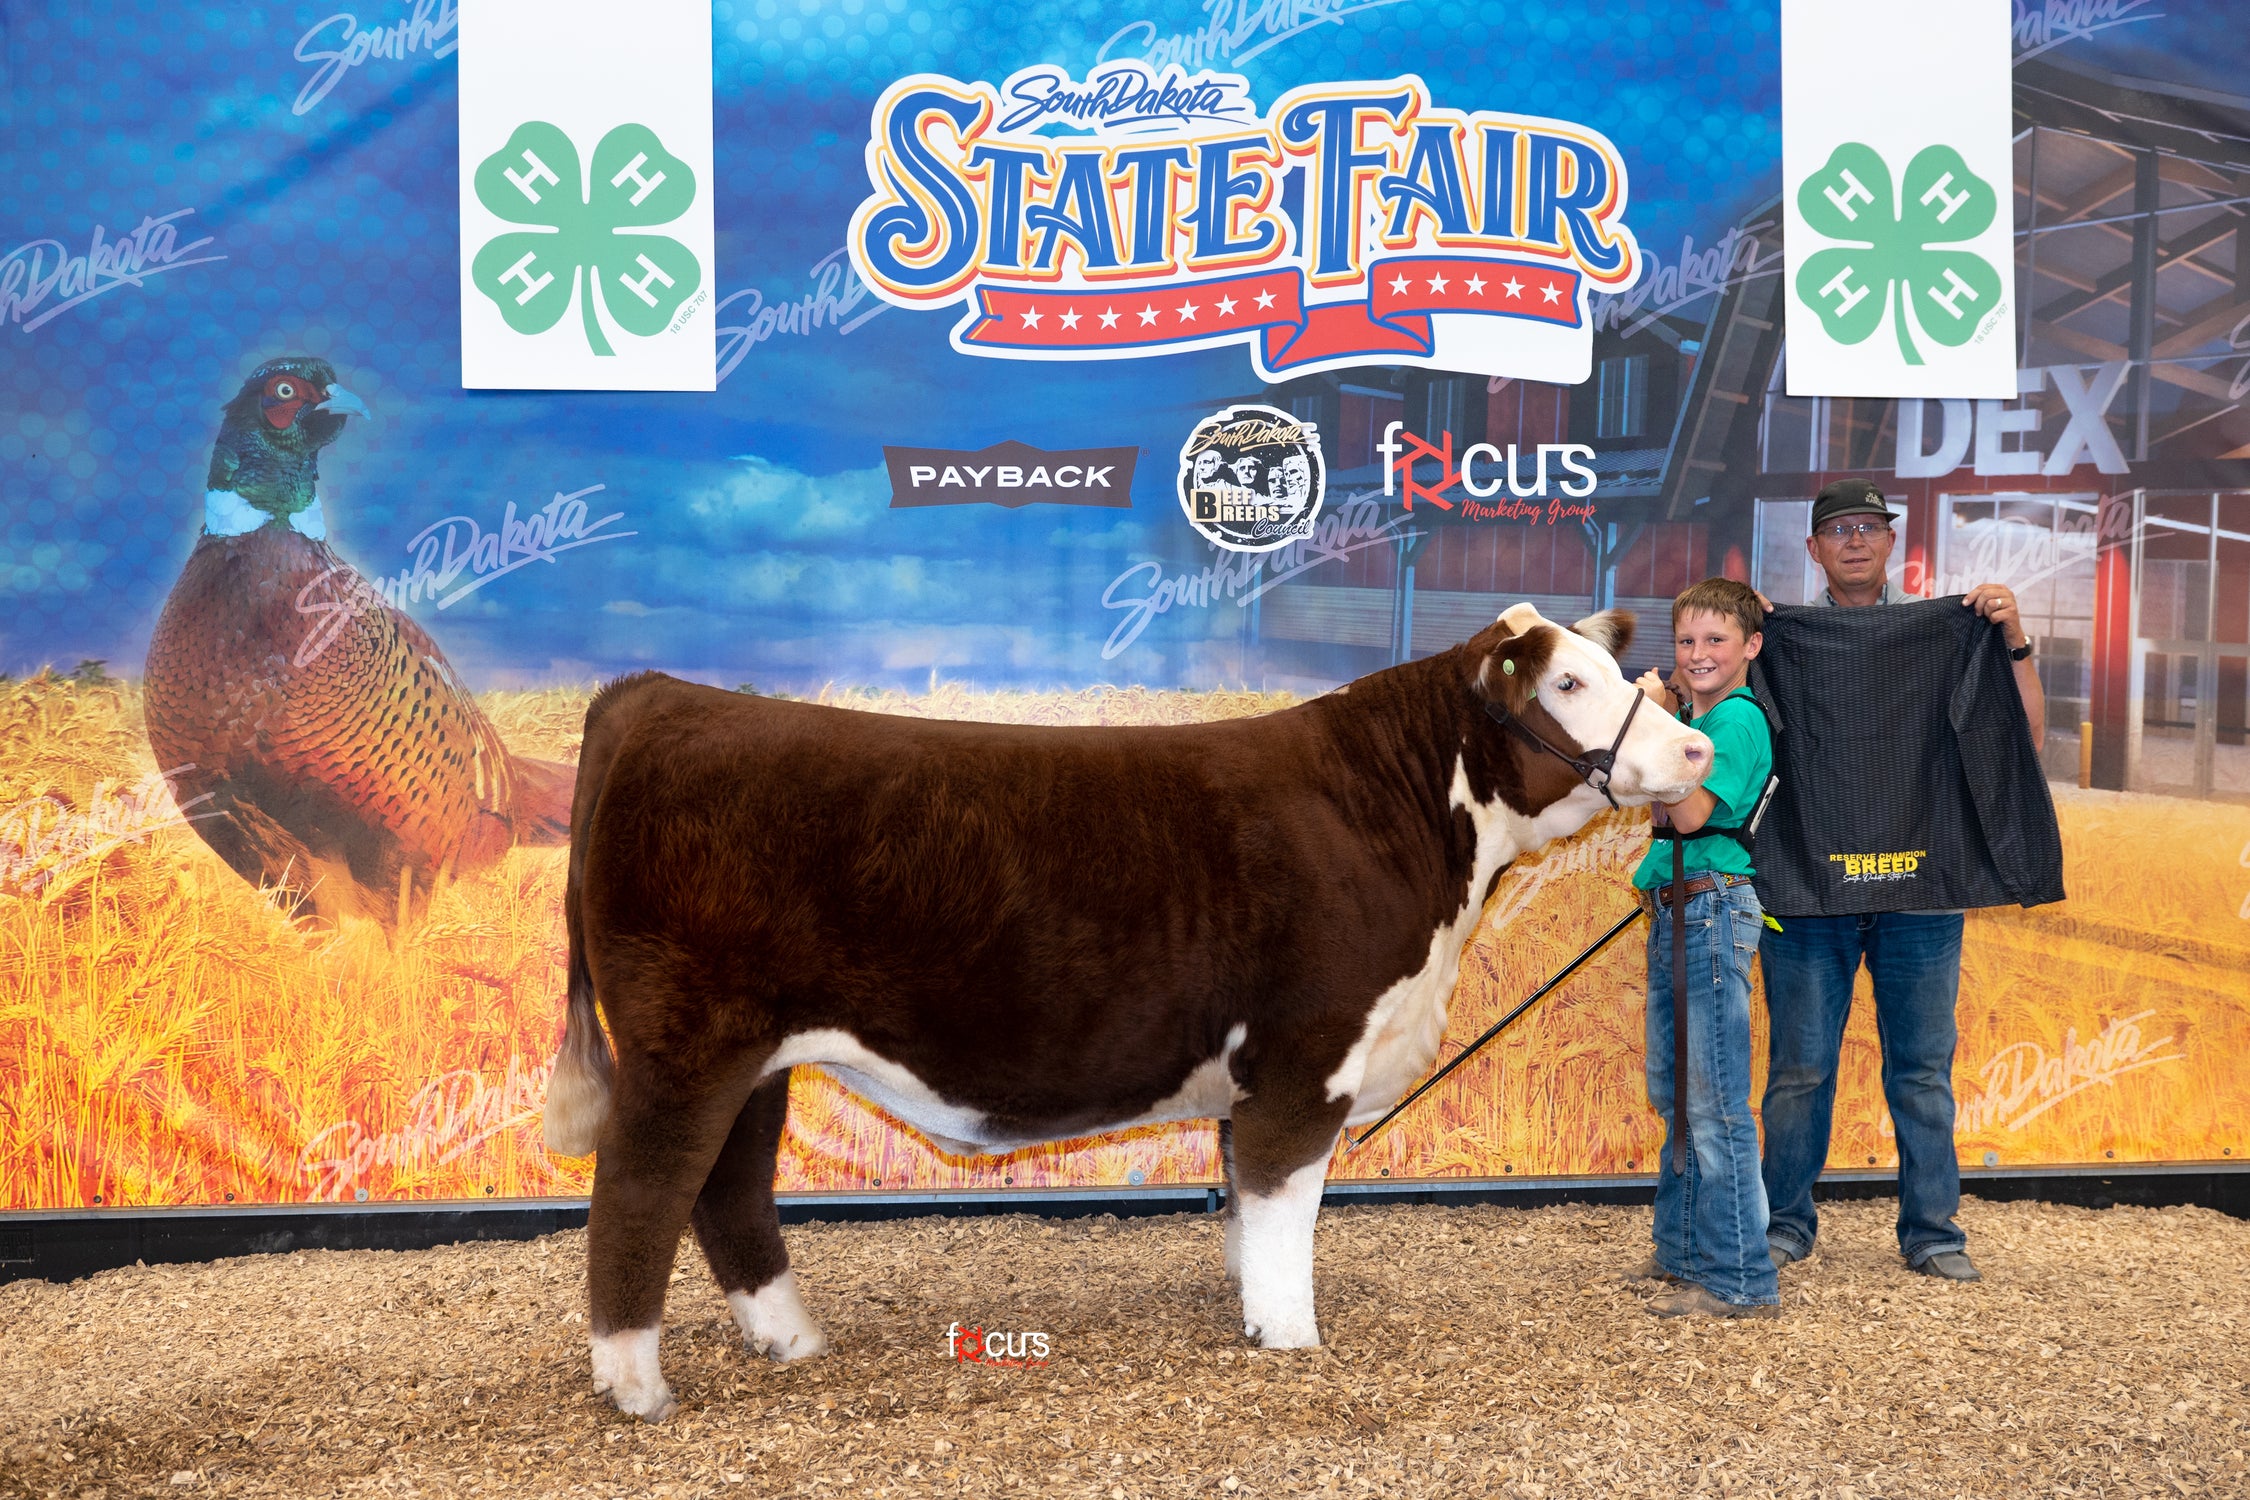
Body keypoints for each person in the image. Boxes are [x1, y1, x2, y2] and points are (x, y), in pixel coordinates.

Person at [1758, 478, 2044, 1284]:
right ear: (1813, 549)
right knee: (1799, 1069)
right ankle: (1783, 1223)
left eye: (1868, 528)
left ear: (1892, 544)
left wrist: (2013, 636)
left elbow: (2024, 737)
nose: (1854, 540)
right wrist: (1740, 632)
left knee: (1921, 1069)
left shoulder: (1953, 633)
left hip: (1922, 888)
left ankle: (1933, 1232)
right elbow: (1713, 721)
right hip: (1809, 890)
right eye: (1837, 530)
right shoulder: (1775, 637)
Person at [1625, 577, 1778, 1318]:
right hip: (1679, 908)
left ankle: (1741, 1280)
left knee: (1715, 1104)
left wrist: (1657, 726)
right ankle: (1683, 1252)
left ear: (1750, 646)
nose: (1697, 654)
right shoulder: (1698, 719)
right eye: (1687, 641)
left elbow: (1687, 816)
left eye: (1716, 640)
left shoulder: (1739, 723)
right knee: (1676, 1095)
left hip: (1713, 908)